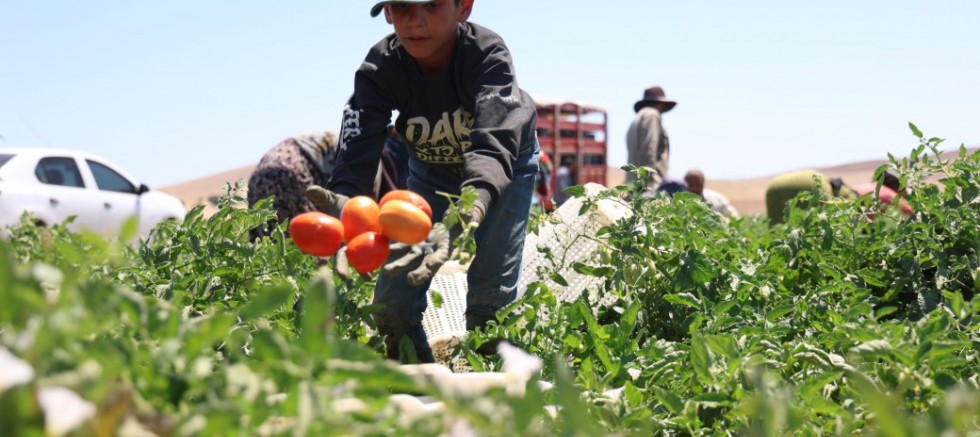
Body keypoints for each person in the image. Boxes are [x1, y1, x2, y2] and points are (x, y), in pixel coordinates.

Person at [306, 0, 539, 363]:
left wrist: (470, 207)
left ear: (463, 7)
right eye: (402, 7)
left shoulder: (485, 54)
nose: (416, 20)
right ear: (387, 13)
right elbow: (358, 147)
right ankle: (419, 388)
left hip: (503, 169)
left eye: (431, 5)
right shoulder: (381, 66)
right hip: (431, 171)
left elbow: (494, 144)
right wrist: (344, 202)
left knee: (491, 304)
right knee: (392, 305)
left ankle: (495, 395)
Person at [247, 130, 339, 240]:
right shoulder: (356, 148)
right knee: (312, 239)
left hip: (261, 177)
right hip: (290, 173)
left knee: (263, 242)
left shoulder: (348, 137)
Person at [626, 86, 675, 192]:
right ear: (661, 103)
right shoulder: (652, 115)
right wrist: (648, 180)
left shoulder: (637, 119)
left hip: (634, 183)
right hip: (649, 184)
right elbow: (649, 147)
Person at [764, 169, 856, 224]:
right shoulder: (826, 188)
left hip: (772, 186)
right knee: (818, 224)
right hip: (806, 185)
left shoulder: (827, 181)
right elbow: (851, 207)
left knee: (776, 229)